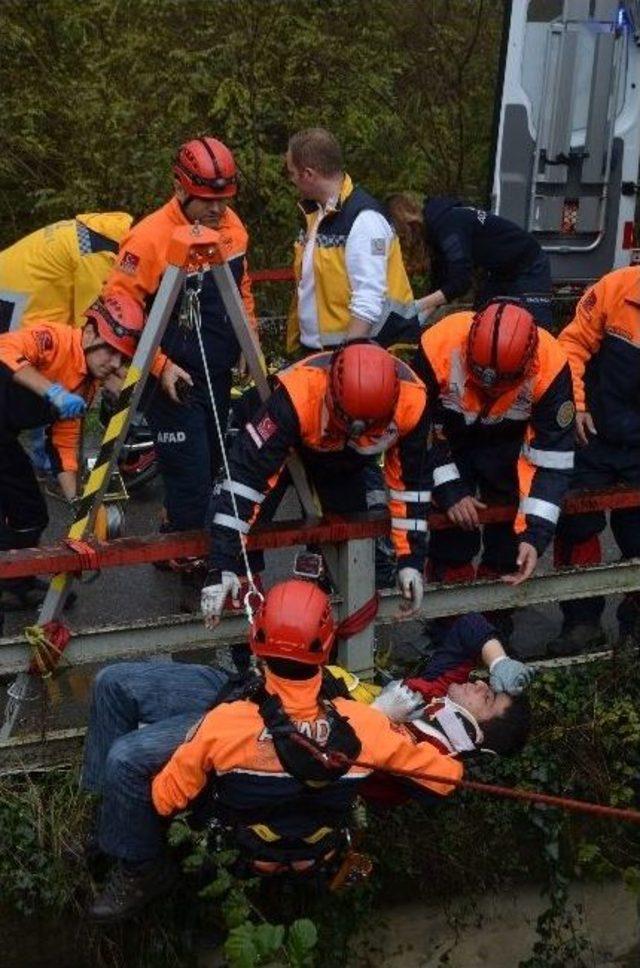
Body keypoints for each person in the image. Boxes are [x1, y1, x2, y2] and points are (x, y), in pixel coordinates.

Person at [84, 580, 531, 922]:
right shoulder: (435, 689)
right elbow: (471, 627)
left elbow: (438, 780)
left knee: (126, 759)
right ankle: (110, 824)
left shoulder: (419, 752)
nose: (478, 683)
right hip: (256, 688)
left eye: (488, 696)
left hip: (263, 719)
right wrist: (499, 661)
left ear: (475, 733)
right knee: (112, 683)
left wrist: (378, 716)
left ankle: (138, 864)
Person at [103, 137, 260, 607]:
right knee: (191, 479)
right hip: (171, 376)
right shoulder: (148, 238)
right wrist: (160, 366)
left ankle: (180, 534)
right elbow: (117, 317)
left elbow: (243, 287)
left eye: (224, 201)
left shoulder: (233, 228)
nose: (218, 212)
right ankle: (192, 566)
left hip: (218, 370)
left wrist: (247, 340)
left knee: (216, 465)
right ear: (180, 187)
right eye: (208, 202)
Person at [200, 340, 431, 635]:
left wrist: (411, 560)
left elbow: (412, 486)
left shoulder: (413, 403)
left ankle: (327, 638)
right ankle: (244, 643)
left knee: (347, 541)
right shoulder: (298, 394)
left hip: (340, 458)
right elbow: (245, 479)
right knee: (238, 533)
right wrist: (222, 564)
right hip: (282, 436)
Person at [411, 302, 575, 637]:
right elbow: (414, 432)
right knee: (452, 539)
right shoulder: (438, 344)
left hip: (507, 449)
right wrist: (450, 491)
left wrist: (535, 536)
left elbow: (554, 460)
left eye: (500, 383)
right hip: (447, 441)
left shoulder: (552, 366)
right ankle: (448, 632)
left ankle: (495, 630)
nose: (489, 388)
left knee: (508, 545)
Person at [0, 294, 144, 612]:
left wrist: (79, 507)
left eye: (122, 358)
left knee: (30, 513)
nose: (115, 364)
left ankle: (14, 584)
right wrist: (51, 390)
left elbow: (63, 445)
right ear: (89, 333)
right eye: (110, 350)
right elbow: (4, 349)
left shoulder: (88, 385)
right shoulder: (54, 339)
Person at [549, 266, 640, 653]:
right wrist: (577, 405)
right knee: (577, 526)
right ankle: (582, 625)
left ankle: (633, 631)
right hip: (595, 436)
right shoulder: (614, 288)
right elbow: (570, 347)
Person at [0, 212, 133, 473]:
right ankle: (48, 464)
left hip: (20, 297)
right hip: (18, 311)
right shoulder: (102, 256)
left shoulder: (106, 234)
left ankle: (45, 461)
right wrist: (119, 380)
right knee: (39, 374)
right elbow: (95, 327)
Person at [284, 127, 420, 356]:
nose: (291, 180)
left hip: (357, 354)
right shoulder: (317, 214)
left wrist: (349, 357)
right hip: (322, 351)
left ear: (308, 174)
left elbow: (368, 297)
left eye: (292, 173)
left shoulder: (364, 220)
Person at [413, 196, 553, 329]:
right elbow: (442, 286)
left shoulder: (449, 226)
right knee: (478, 323)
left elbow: (460, 283)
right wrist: (419, 318)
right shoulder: (438, 228)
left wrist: (416, 306)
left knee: (534, 329)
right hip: (500, 273)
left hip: (529, 265)